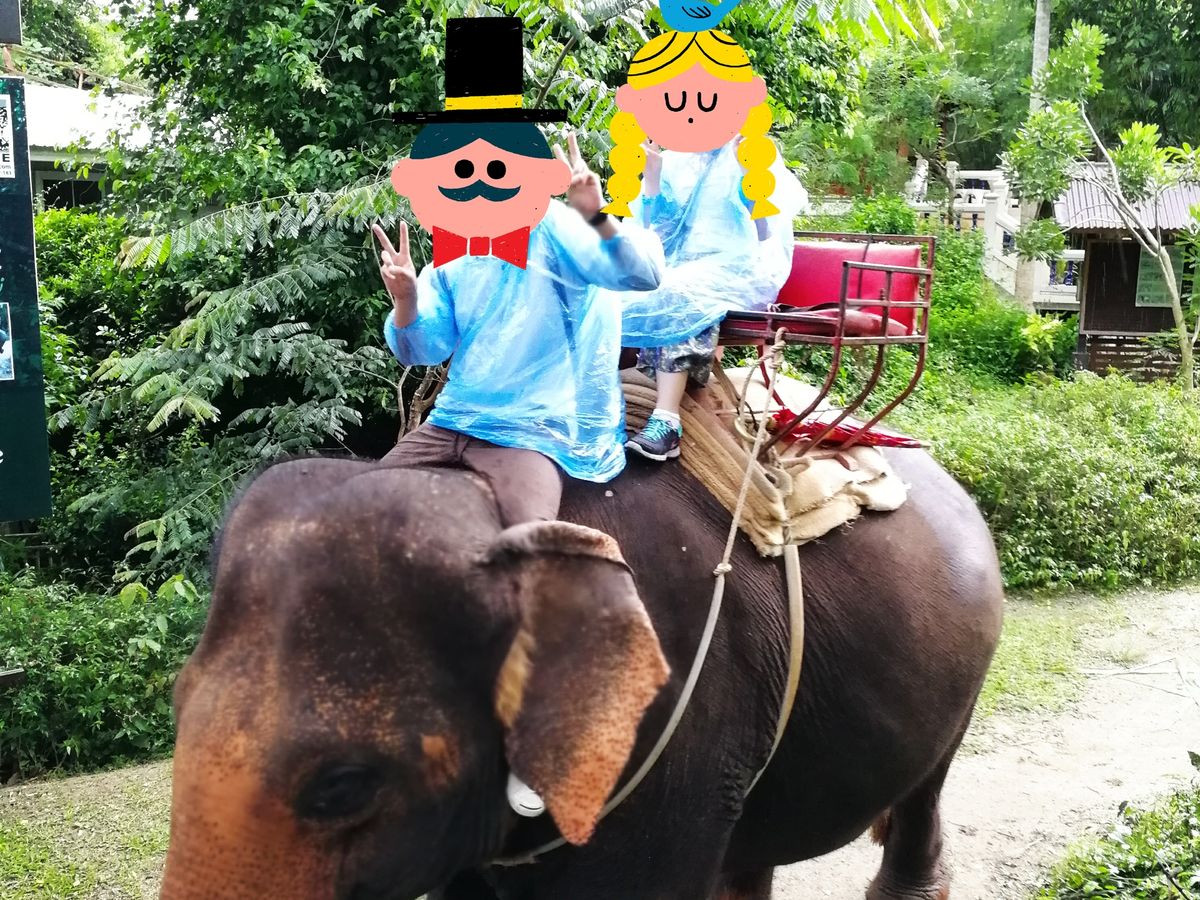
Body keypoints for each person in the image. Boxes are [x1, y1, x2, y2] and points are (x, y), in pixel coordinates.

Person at [376, 17, 665, 818]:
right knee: (360, 516)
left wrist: (596, 213)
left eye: (493, 153)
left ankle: (540, 742)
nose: (476, 169)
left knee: (534, 572)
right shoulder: (454, 240)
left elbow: (641, 273)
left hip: (538, 427)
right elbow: (426, 345)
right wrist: (406, 302)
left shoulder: (558, 229)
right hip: (457, 416)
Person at [601, 27, 808, 461]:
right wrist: (652, 177)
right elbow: (656, 236)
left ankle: (666, 421)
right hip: (682, 265)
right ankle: (590, 405)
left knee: (677, 292)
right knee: (605, 292)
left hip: (737, 267)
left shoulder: (752, 153)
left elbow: (766, 234)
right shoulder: (675, 157)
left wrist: (752, 185)